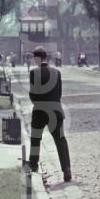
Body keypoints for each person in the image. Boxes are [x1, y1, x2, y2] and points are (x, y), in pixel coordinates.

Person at [28, 45, 72, 183]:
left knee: (36, 139)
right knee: (60, 140)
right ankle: (66, 169)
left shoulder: (34, 72)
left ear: (37, 58)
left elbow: (33, 94)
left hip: (40, 110)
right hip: (55, 110)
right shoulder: (56, 72)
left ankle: (34, 165)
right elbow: (59, 93)